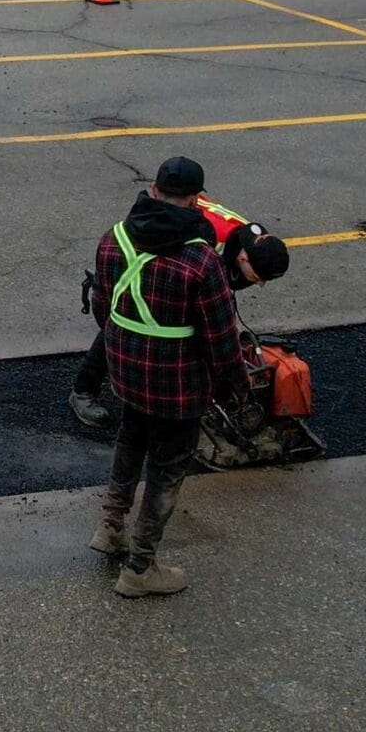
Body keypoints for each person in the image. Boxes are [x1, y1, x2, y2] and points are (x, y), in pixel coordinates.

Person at [88, 155, 247, 597]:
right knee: (167, 467)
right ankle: (140, 568)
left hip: (127, 372)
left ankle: (110, 527)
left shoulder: (113, 240)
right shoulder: (202, 261)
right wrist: (237, 387)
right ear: (198, 201)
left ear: (153, 190)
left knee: (131, 438)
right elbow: (221, 338)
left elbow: (103, 309)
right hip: (178, 385)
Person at [72, 192, 288, 430]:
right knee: (124, 319)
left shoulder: (250, 238)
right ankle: (83, 391)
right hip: (149, 249)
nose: (258, 285)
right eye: (257, 278)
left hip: (169, 231)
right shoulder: (211, 244)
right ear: (244, 258)